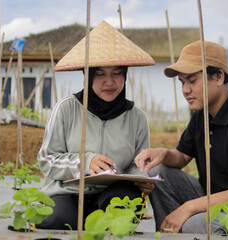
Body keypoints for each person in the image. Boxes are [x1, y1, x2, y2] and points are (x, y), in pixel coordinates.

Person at [134, 40, 228, 235]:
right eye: (182, 82)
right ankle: (169, 231)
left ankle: (179, 228)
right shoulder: (201, 116)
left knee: (190, 226)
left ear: (219, 77)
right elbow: (181, 158)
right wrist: (162, 153)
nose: (185, 89)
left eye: (192, 80)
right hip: (213, 199)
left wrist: (189, 207)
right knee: (159, 172)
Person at [37, 20, 155, 230]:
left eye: (117, 73)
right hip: (68, 193)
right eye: (100, 74)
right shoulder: (66, 109)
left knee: (121, 214)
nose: (109, 82)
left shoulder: (137, 117)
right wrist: (85, 162)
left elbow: (138, 164)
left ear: (125, 75)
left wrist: (141, 179)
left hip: (114, 194)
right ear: (87, 77)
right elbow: (47, 160)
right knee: (58, 220)